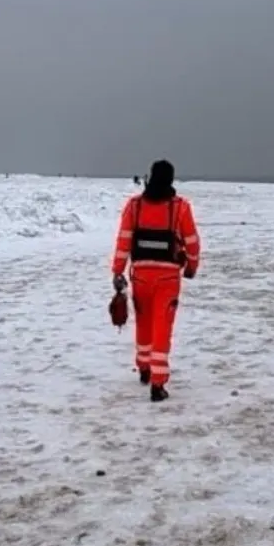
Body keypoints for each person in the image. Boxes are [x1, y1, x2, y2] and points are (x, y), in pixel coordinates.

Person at [111, 160, 201, 402]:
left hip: (140, 276)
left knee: (144, 322)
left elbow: (124, 241)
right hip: (168, 278)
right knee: (162, 327)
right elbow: (191, 242)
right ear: (171, 180)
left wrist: (117, 271)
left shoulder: (134, 206)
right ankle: (158, 384)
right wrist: (192, 266)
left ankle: (144, 368)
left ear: (150, 176)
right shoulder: (180, 208)